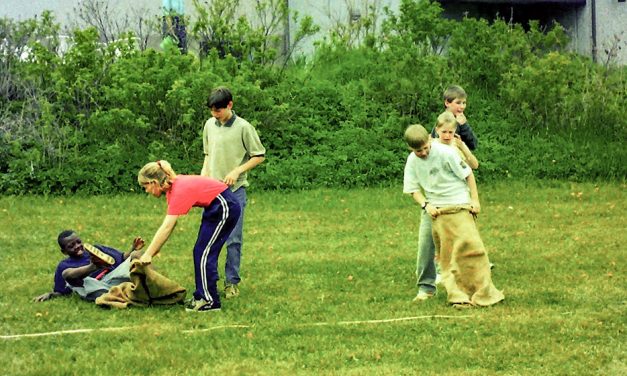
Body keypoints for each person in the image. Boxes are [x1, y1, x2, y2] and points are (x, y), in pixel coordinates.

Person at [403, 124, 503, 308]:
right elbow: (412, 189)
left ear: (429, 140)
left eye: (426, 148)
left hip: (459, 204)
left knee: (469, 247)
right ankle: (426, 289)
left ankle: (478, 288)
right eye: (419, 151)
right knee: (426, 249)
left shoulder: (445, 153)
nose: (424, 153)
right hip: (434, 208)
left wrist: (475, 201)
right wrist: (426, 204)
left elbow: (468, 175)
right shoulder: (412, 161)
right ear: (411, 149)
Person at [138, 160, 241, 312]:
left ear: (154, 182)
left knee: (205, 253)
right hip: (214, 207)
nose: (146, 191)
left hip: (225, 206)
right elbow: (163, 163)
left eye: (145, 186)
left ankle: (209, 301)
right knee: (200, 251)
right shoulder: (172, 188)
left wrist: (148, 254)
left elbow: (167, 227)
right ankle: (201, 296)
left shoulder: (178, 190)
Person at [201, 86, 266, 299]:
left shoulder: (244, 127)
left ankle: (231, 282)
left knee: (233, 239)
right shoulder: (209, 125)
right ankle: (209, 280)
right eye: (212, 110)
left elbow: (258, 155)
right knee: (208, 238)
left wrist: (237, 171)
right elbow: (208, 154)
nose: (214, 114)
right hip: (212, 191)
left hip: (235, 191)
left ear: (230, 105)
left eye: (218, 110)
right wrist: (203, 181)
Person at [32, 231, 144, 302]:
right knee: (67, 274)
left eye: (78, 242)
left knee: (137, 255)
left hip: (112, 278)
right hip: (94, 287)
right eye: (71, 246)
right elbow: (62, 291)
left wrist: (133, 248)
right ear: (64, 252)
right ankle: (93, 267)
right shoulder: (64, 265)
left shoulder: (96, 249)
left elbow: (122, 258)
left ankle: (151, 285)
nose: (77, 246)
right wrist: (50, 294)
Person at [431, 85, 478, 151]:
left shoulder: (460, 120)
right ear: (447, 103)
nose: (462, 106)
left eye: (464, 103)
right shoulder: (443, 120)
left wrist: (464, 125)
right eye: (458, 103)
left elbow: (473, 145)